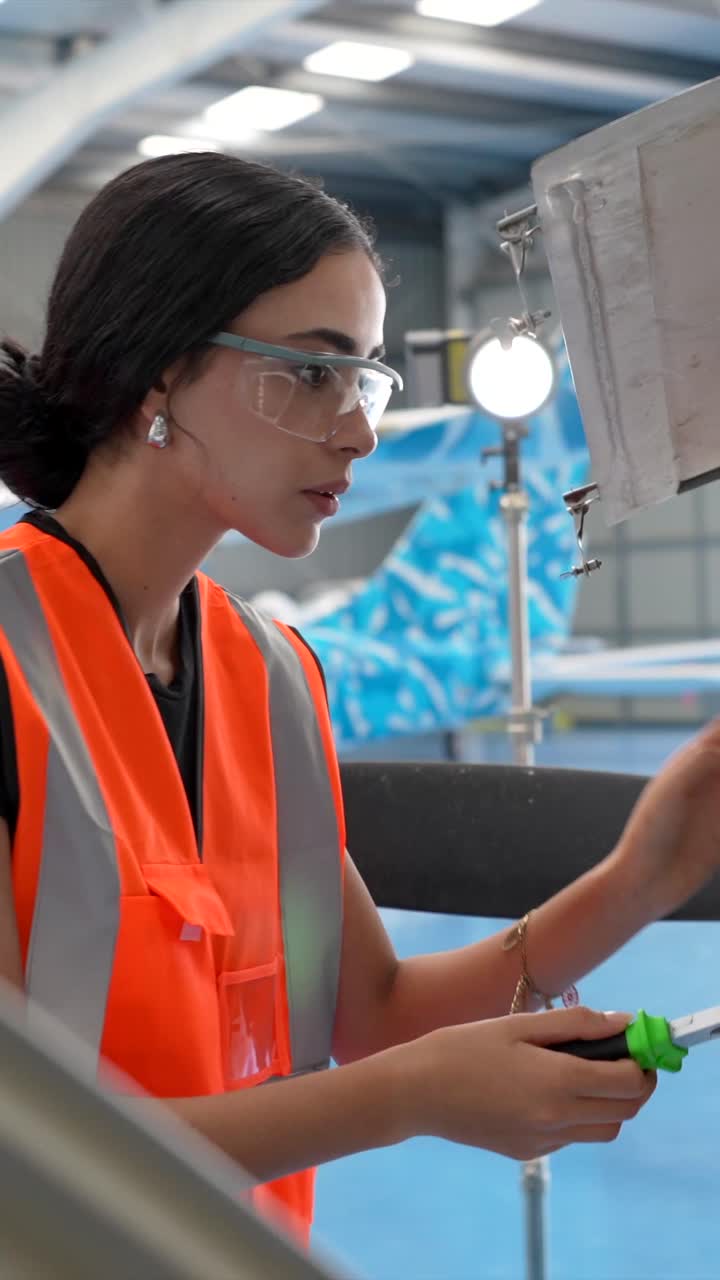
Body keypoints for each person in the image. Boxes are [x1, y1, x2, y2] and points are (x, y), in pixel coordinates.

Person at [0, 150, 718, 1246]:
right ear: (157, 373)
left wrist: (646, 871)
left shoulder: (269, 675)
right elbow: (22, 1144)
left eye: (366, 376)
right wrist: (409, 1096)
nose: (361, 427)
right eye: (312, 370)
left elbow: (374, 1013)